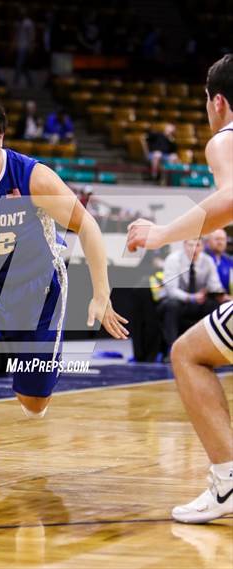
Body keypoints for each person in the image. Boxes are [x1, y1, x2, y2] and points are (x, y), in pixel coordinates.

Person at [0, 95, 129, 475]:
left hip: (39, 291)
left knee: (33, 405)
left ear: (1, 137)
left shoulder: (32, 176)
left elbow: (88, 226)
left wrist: (101, 294)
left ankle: (34, 392)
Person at [127, 54, 233, 523]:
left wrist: (162, 232)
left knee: (188, 354)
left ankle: (228, 482)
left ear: (218, 102)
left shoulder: (225, 138)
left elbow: (230, 197)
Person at [158, 238, 224, 351]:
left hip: (199, 300)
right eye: (190, 245)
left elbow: (215, 284)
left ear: (203, 247)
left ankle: (212, 349)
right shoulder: (173, 259)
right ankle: (173, 349)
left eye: (197, 245)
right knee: (172, 305)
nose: (194, 248)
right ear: (184, 245)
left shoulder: (208, 261)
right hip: (176, 301)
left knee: (215, 305)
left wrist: (217, 293)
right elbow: (171, 290)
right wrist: (191, 298)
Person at [205, 229, 233, 297]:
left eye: (223, 239)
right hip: (208, 299)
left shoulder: (229, 260)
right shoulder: (202, 258)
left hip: (227, 298)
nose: (220, 242)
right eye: (217, 239)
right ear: (208, 241)